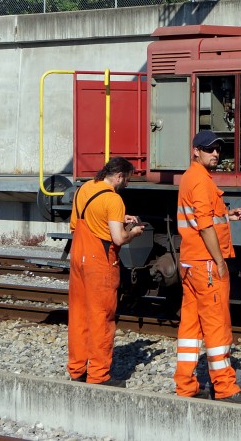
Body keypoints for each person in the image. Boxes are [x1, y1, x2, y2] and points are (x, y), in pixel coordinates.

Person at [174, 130, 241, 404]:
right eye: (210, 149)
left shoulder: (190, 178)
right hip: (206, 264)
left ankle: (185, 385)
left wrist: (226, 215)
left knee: (190, 327)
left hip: (190, 262)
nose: (216, 154)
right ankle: (225, 388)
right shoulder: (201, 181)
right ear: (195, 150)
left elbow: (202, 218)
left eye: (218, 149)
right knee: (217, 326)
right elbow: (204, 225)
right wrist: (219, 261)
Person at [67, 156, 146, 386]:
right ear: (119, 176)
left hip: (78, 257)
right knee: (101, 318)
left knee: (79, 316)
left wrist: (118, 219)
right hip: (99, 263)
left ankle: (77, 370)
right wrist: (134, 232)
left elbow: (79, 222)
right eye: (127, 180)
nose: (127, 185)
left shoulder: (85, 188)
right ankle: (99, 376)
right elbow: (118, 237)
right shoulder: (114, 200)